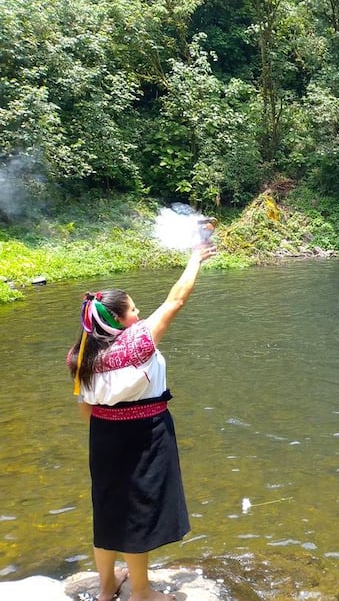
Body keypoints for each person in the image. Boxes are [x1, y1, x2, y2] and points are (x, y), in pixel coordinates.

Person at [67, 245, 216, 601]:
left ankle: (106, 589)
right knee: (137, 510)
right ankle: (142, 592)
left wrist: (108, 429)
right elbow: (176, 300)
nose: (139, 313)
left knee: (106, 508)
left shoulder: (82, 354)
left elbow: (85, 408)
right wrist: (194, 259)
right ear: (118, 320)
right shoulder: (138, 343)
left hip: (103, 437)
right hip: (143, 435)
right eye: (133, 309)